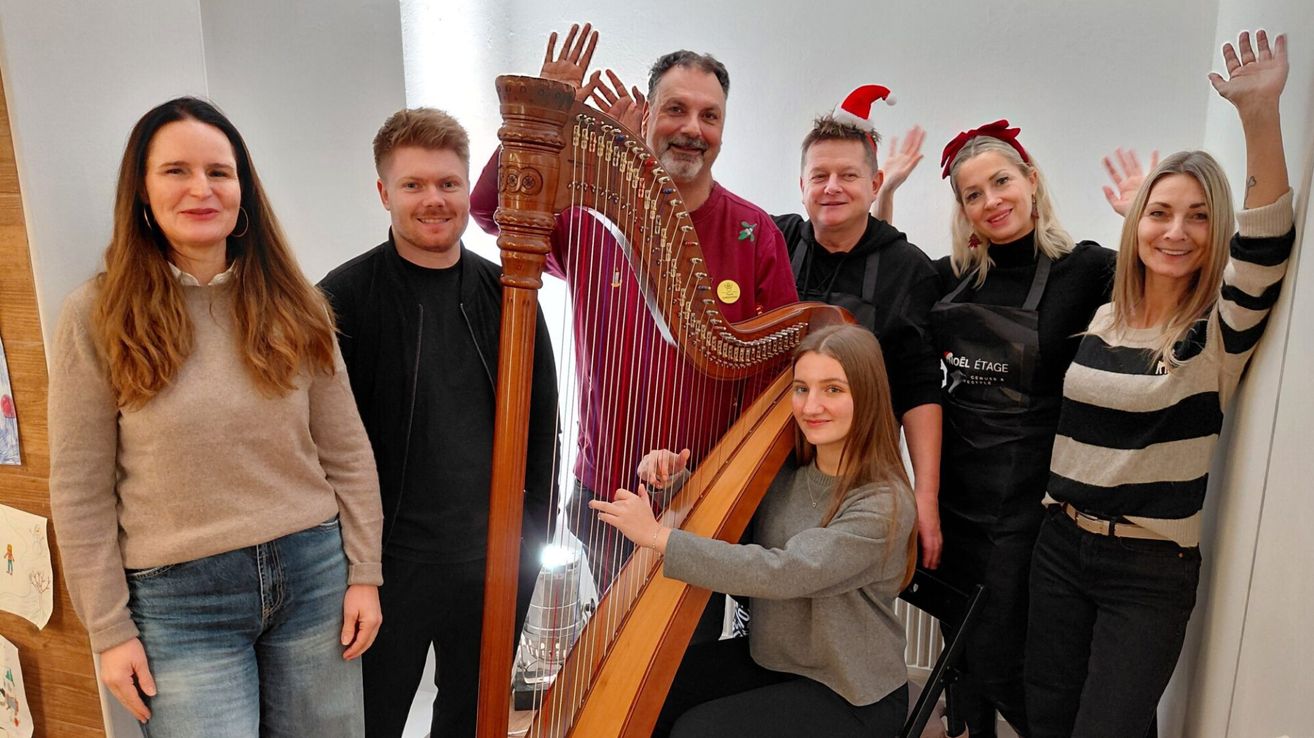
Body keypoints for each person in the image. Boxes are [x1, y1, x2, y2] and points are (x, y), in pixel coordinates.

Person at [48, 97, 383, 735]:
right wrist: (108, 629)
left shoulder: (298, 306)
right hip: (179, 604)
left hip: (313, 576)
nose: (201, 189)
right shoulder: (95, 317)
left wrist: (364, 573)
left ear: (242, 191)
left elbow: (346, 451)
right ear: (142, 193)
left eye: (219, 173)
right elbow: (79, 490)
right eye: (176, 171)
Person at [1027, 30, 1294, 738]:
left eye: (1199, 218)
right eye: (1160, 213)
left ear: (1220, 231)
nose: (1177, 231)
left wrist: (1259, 116)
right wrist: (1146, 227)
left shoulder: (1214, 334)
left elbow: (1265, 244)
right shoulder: (1107, 314)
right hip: (1059, 545)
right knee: (1048, 716)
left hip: (1146, 570)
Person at [470, 23, 798, 598]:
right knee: (619, 658)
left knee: (687, 665)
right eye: (676, 109)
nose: (693, 129)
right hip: (605, 488)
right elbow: (492, 212)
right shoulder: (591, 221)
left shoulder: (755, 234)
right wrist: (543, 124)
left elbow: (777, 372)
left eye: (710, 116)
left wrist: (713, 469)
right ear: (646, 115)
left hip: (704, 497)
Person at [318, 108, 558, 738]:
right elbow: (317, 449)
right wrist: (349, 570)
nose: (434, 200)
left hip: (494, 563)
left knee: (472, 724)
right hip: (386, 568)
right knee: (371, 724)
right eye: (414, 185)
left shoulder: (511, 294)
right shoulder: (339, 301)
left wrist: (529, 545)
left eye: (449, 184)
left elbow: (541, 429)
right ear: (383, 193)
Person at [591, 324, 915, 737]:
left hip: (850, 691)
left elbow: (785, 572)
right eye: (801, 388)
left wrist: (658, 537)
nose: (811, 405)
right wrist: (678, 481)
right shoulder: (792, 476)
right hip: (776, 659)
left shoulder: (882, 502)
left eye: (833, 389)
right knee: (647, 688)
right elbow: (744, 534)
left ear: (867, 396)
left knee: (699, 731)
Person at [932, 119, 1117, 735]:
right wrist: (880, 188)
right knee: (964, 656)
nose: (992, 201)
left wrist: (1139, 207)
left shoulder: (1085, 270)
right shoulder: (950, 278)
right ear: (963, 210)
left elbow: (1175, 284)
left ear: (1031, 181)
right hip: (954, 506)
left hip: (1028, 514)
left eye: (1002, 181)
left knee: (1012, 660)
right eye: (973, 194)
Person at [772, 92, 943, 569]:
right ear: (800, 184)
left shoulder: (908, 269)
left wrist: (924, 499)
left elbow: (920, 390)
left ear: (875, 183)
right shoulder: (773, 240)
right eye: (819, 176)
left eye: (848, 175)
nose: (832, 187)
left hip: (855, 482)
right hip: (768, 461)